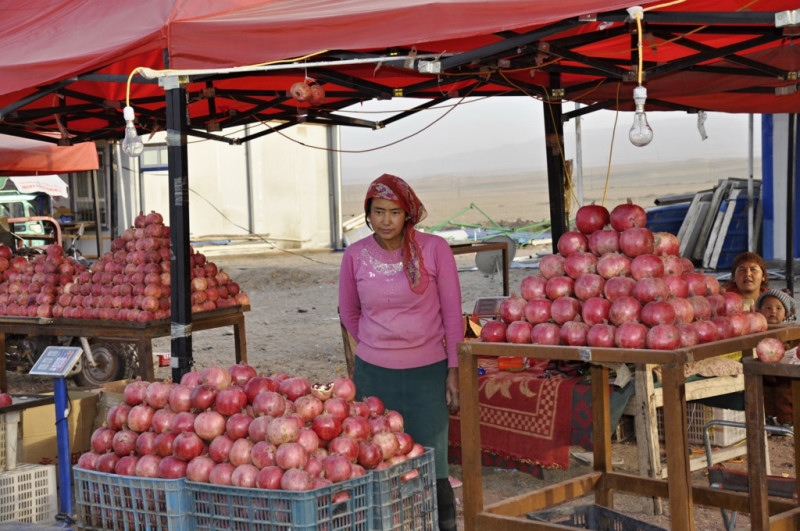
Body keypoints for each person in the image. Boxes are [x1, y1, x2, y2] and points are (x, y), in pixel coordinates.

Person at [338, 174, 462, 531]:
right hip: (373, 376)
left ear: (408, 213)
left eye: (394, 212)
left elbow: (453, 315)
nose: (386, 220)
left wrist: (453, 370)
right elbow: (349, 312)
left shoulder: (435, 249)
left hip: (428, 374)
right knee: (374, 459)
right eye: (378, 212)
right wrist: (377, 344)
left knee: (433, 464)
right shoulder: (355, 255)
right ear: (367, 214)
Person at [756, 288, 797, 428]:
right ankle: (767, 417)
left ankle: (787, 420)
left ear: (785, 314)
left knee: (784, 394)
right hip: (763, 370)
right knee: (764, 393)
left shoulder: (789, 330)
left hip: (783, 373)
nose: (773, 311)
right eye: (768, 308)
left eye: (778, 308)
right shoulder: (757, 330)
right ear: (760, 311)